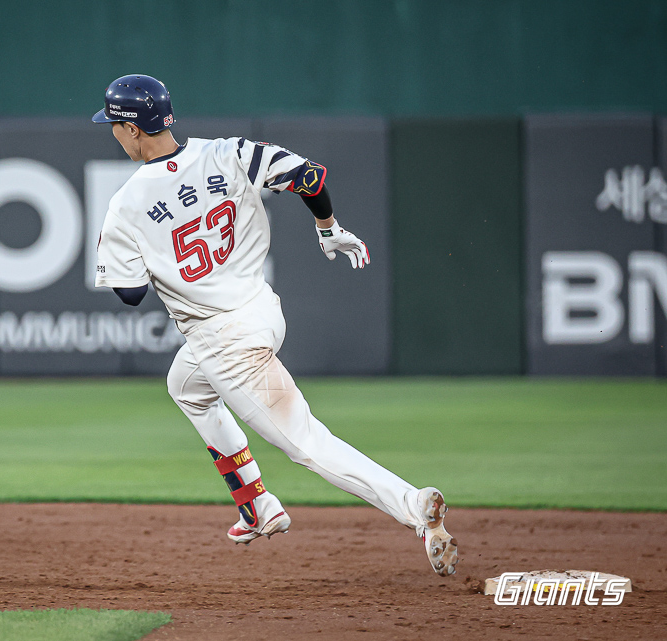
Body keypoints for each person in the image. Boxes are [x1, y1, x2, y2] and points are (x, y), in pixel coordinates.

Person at [91, 74, 458, 576]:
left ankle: (415, 505)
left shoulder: (127, 204)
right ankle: (257, 506)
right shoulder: (230, 152)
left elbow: (129, 294)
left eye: (114, 124)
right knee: (186, 385)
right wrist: (328, 227)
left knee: (306, 442)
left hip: (224, 341)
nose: (112, 133)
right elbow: (310, 176)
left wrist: (141, 253)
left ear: (133, 130)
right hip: (262, 312)